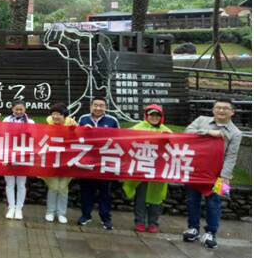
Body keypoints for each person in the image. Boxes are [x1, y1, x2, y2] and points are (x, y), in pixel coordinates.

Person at [182, 98, 242, 249]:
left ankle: (211, 233)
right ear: (213, 110)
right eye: (218, 107)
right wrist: (208, 132)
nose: (221, 110)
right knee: (192, 200)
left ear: (232, 112)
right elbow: (187, 132)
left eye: (225, 108)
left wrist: (225, 177)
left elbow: (231, 157)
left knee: (215, 203)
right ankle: (193, 228)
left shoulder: (236, 133)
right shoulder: (201, 120)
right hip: (195, 170)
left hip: (220, 175)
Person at [122, 105, 173, 233]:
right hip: (142, 168)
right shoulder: (137, 128)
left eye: (157, 115)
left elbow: (176, 146)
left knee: (156, 198)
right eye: (151, 115)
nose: (154, 117)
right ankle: (139, 222)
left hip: (158, 170)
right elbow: (124, 138)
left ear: (161, 117)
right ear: (146, 116)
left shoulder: (166, 131)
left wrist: (169, 138)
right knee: (140, 197)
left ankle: (153, 223)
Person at [77, 96, 120, 230]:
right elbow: (75, 137)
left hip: (104, 163)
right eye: (95, 105)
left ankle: (105, 218)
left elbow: (120, 139)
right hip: (87, 162)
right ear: (91, 106)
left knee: (105, 193)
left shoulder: (112, 121)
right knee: (86, 191)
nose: (98, 108)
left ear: (105, 107)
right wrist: (83, 131)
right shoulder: (83, 119)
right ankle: (85, 215)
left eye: (101, 105)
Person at [0, 100, 35, 220]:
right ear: (12, 109)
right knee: (10, 184)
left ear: (25, 109)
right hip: (9, 154)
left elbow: (34, 136)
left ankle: (19, 208)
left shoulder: (30, 122)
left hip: (23, 155)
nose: (18, 111)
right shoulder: (7, 120)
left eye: (21, 109)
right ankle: (11, 207)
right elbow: (1, 135)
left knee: (21, 184)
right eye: (16, 109)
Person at [41, 103, 77, 224]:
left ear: (64, 116)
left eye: (59, 114)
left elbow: (78, 141)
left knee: (63, 188)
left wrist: (74, 131)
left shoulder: (72, 125)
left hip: (67, 162)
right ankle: (50, 212)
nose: (56, 116)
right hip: (52, 161)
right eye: (54, 114)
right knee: (53, 187)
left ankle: (61, 213)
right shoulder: (48, 126)